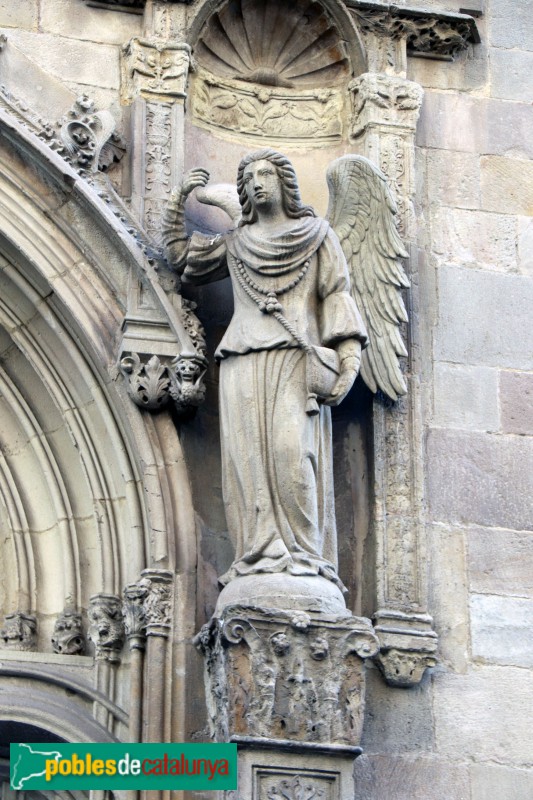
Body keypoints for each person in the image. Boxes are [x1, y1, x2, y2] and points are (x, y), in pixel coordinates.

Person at [163, 149, 368, 589]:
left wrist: (349, 357)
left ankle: (303, 555)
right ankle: (257, 555)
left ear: (284, 182)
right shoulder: (237, 242)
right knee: (249, 463)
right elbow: (182, 260)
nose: (257, 183)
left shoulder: (317, 236)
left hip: (296, 363)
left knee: (293, 455)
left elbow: (337, 294)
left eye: (265, 174)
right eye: (249, 178)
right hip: (243, 361)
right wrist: (178, 201)